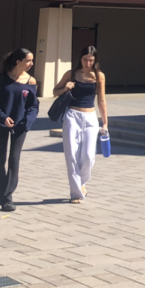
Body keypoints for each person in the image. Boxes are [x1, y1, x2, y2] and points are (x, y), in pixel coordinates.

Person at [0, 47, 38, 212]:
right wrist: (2, 117)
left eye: (32, 60)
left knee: (14, 160)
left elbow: (33, 106)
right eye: (28, 60)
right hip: (0, 124)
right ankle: (1, 193)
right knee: (0, 161)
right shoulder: (1, 79)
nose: (31, 64)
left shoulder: (31, 82)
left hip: (20, 126)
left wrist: (27, 121)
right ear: (18, 61)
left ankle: (8, 198)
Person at [52, 46, 108, 204]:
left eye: (91, 60)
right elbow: (55, 91)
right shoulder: (71, 74)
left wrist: (105, 122)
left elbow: (102, 100)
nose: (88, 63)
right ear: (80, 59)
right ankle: (75, 193)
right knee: (72, 155)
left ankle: (81, 183)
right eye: (85, 59)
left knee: (89, 156)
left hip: (90, 116)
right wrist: (65, 88)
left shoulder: (99, 76)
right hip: (72, 115)